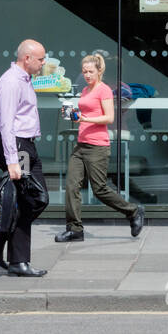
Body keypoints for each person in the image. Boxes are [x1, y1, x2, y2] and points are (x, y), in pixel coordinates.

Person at [56, 53, 145, 241]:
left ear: (99, 71)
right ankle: (74, 229)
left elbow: (109, 117)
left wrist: (85, 118)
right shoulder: (86, 90)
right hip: (81, 144)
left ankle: (134, 211)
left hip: (97, 146)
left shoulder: (103, 90)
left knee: (100, 189)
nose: (87, 75)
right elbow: (85, 112)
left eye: (90, 71)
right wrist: (72, 114)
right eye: (84, 71)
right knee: (72, 186)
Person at [0, 39, 49, 277]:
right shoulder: (11, 83)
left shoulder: (24, 80)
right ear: (27, 58)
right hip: (18, 147)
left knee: (37, 198)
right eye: (41, 59)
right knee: (28, 199)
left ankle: (1, 238)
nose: (44, 63)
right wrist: (13, 160)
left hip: (27, 146)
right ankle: (17, 260)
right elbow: (6, 125)